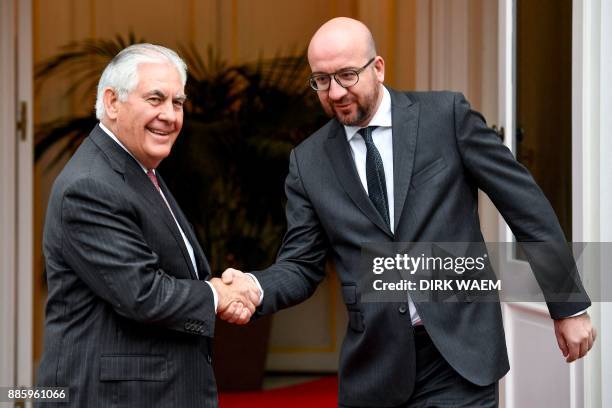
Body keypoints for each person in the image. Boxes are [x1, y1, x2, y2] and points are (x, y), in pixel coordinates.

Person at [221, 17, 596, 407]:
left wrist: (567, 303)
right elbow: (301, 263)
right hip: (376, 367)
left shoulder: (446, 116)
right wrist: (256, 286)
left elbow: (524, 204)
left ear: (378, 68)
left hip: (460, 354)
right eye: (321, 80)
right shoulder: (308, 161)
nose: (335, 92)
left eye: (347, 75)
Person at [36, 43, 260, 407]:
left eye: (177, 103)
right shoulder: (90, 185)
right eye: (155, 99)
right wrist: (218, 295)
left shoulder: (138, 169)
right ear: (111, 102)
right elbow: (141, 293)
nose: (170, 115)